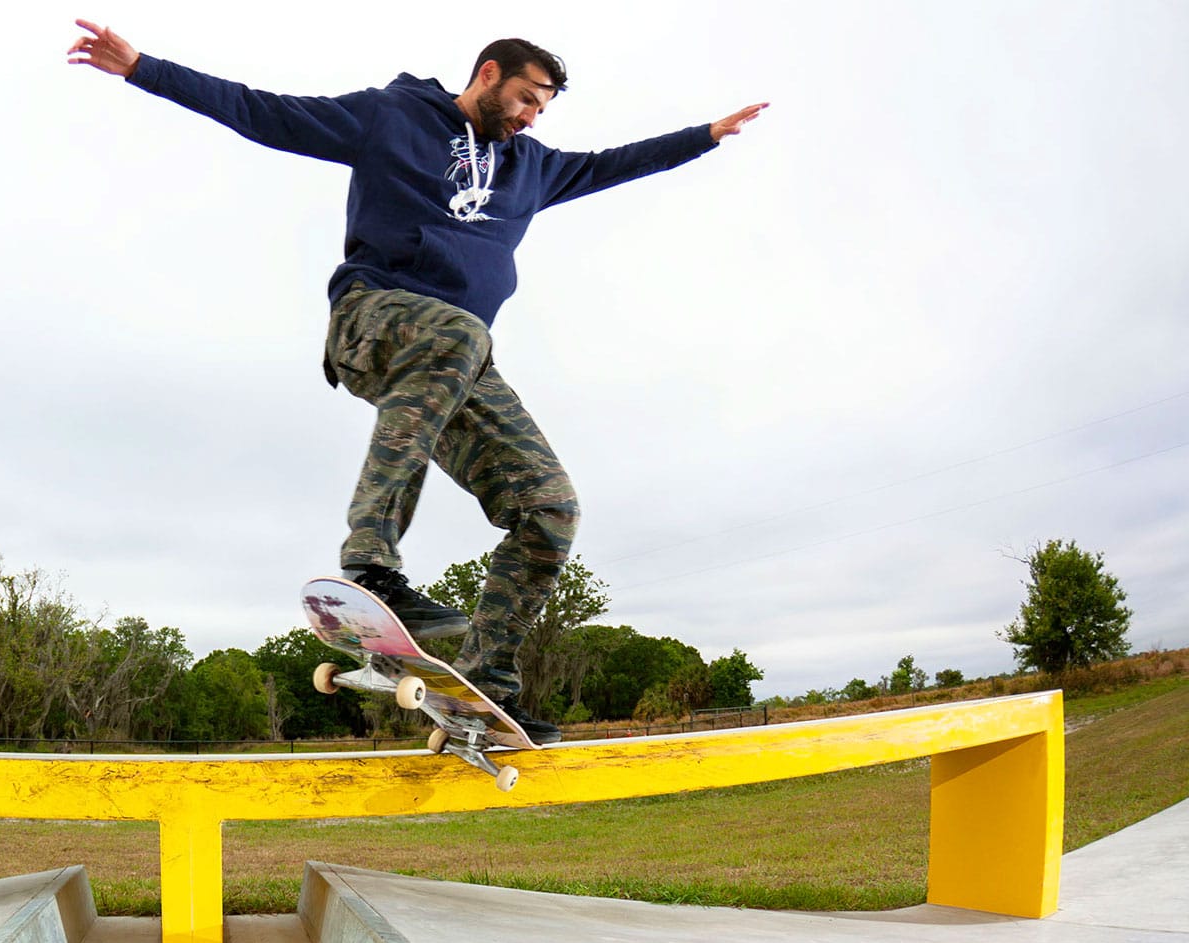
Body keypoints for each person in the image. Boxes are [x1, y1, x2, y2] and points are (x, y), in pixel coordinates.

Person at [68, 20, 766, 743]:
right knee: (461, 332)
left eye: (544, 109)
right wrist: (143, 67)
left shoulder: (533, 167)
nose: (531, 117)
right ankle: (370, 563)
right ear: (489, 74)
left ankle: (484, 686)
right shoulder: (391, 117)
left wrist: (703, 135)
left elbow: (613, 163)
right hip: (373, 322)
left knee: (550, 507)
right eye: (526, 98)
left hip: (456, 366)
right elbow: (262, 110)